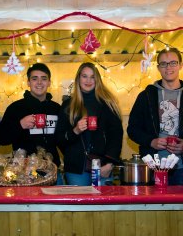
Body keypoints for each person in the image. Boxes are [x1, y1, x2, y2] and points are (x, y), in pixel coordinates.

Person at [55, 62, 123, 186]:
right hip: (76, 170)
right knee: (80, 205)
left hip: (103, 166)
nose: (88, 80)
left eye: (92, 77)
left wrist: (109, 164)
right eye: (84, 76)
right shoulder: (68, 105)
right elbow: (59, 139)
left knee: (102, 205)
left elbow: (116, 136)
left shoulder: (108, 104)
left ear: (97, 80)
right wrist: (75, 131)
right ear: (78, 79)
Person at [0, 63, 63, 184]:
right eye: (34, 78)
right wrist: (20, 125)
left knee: (56, 203)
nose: (39, 82)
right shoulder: (16, 108)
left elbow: (63, 140)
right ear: (28, 82)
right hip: (24, 174)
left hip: (53, 172)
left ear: (49, 82)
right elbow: (1, 138)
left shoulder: (56, 108)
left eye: (44, 78)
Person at [127, 47, 183, 185]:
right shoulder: (146, 96)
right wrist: (151, 141)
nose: (168, 67)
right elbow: (132, 129)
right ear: (158, 68)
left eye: (173, 63)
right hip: (152, 168)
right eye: (163, 64)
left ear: (181, 65)